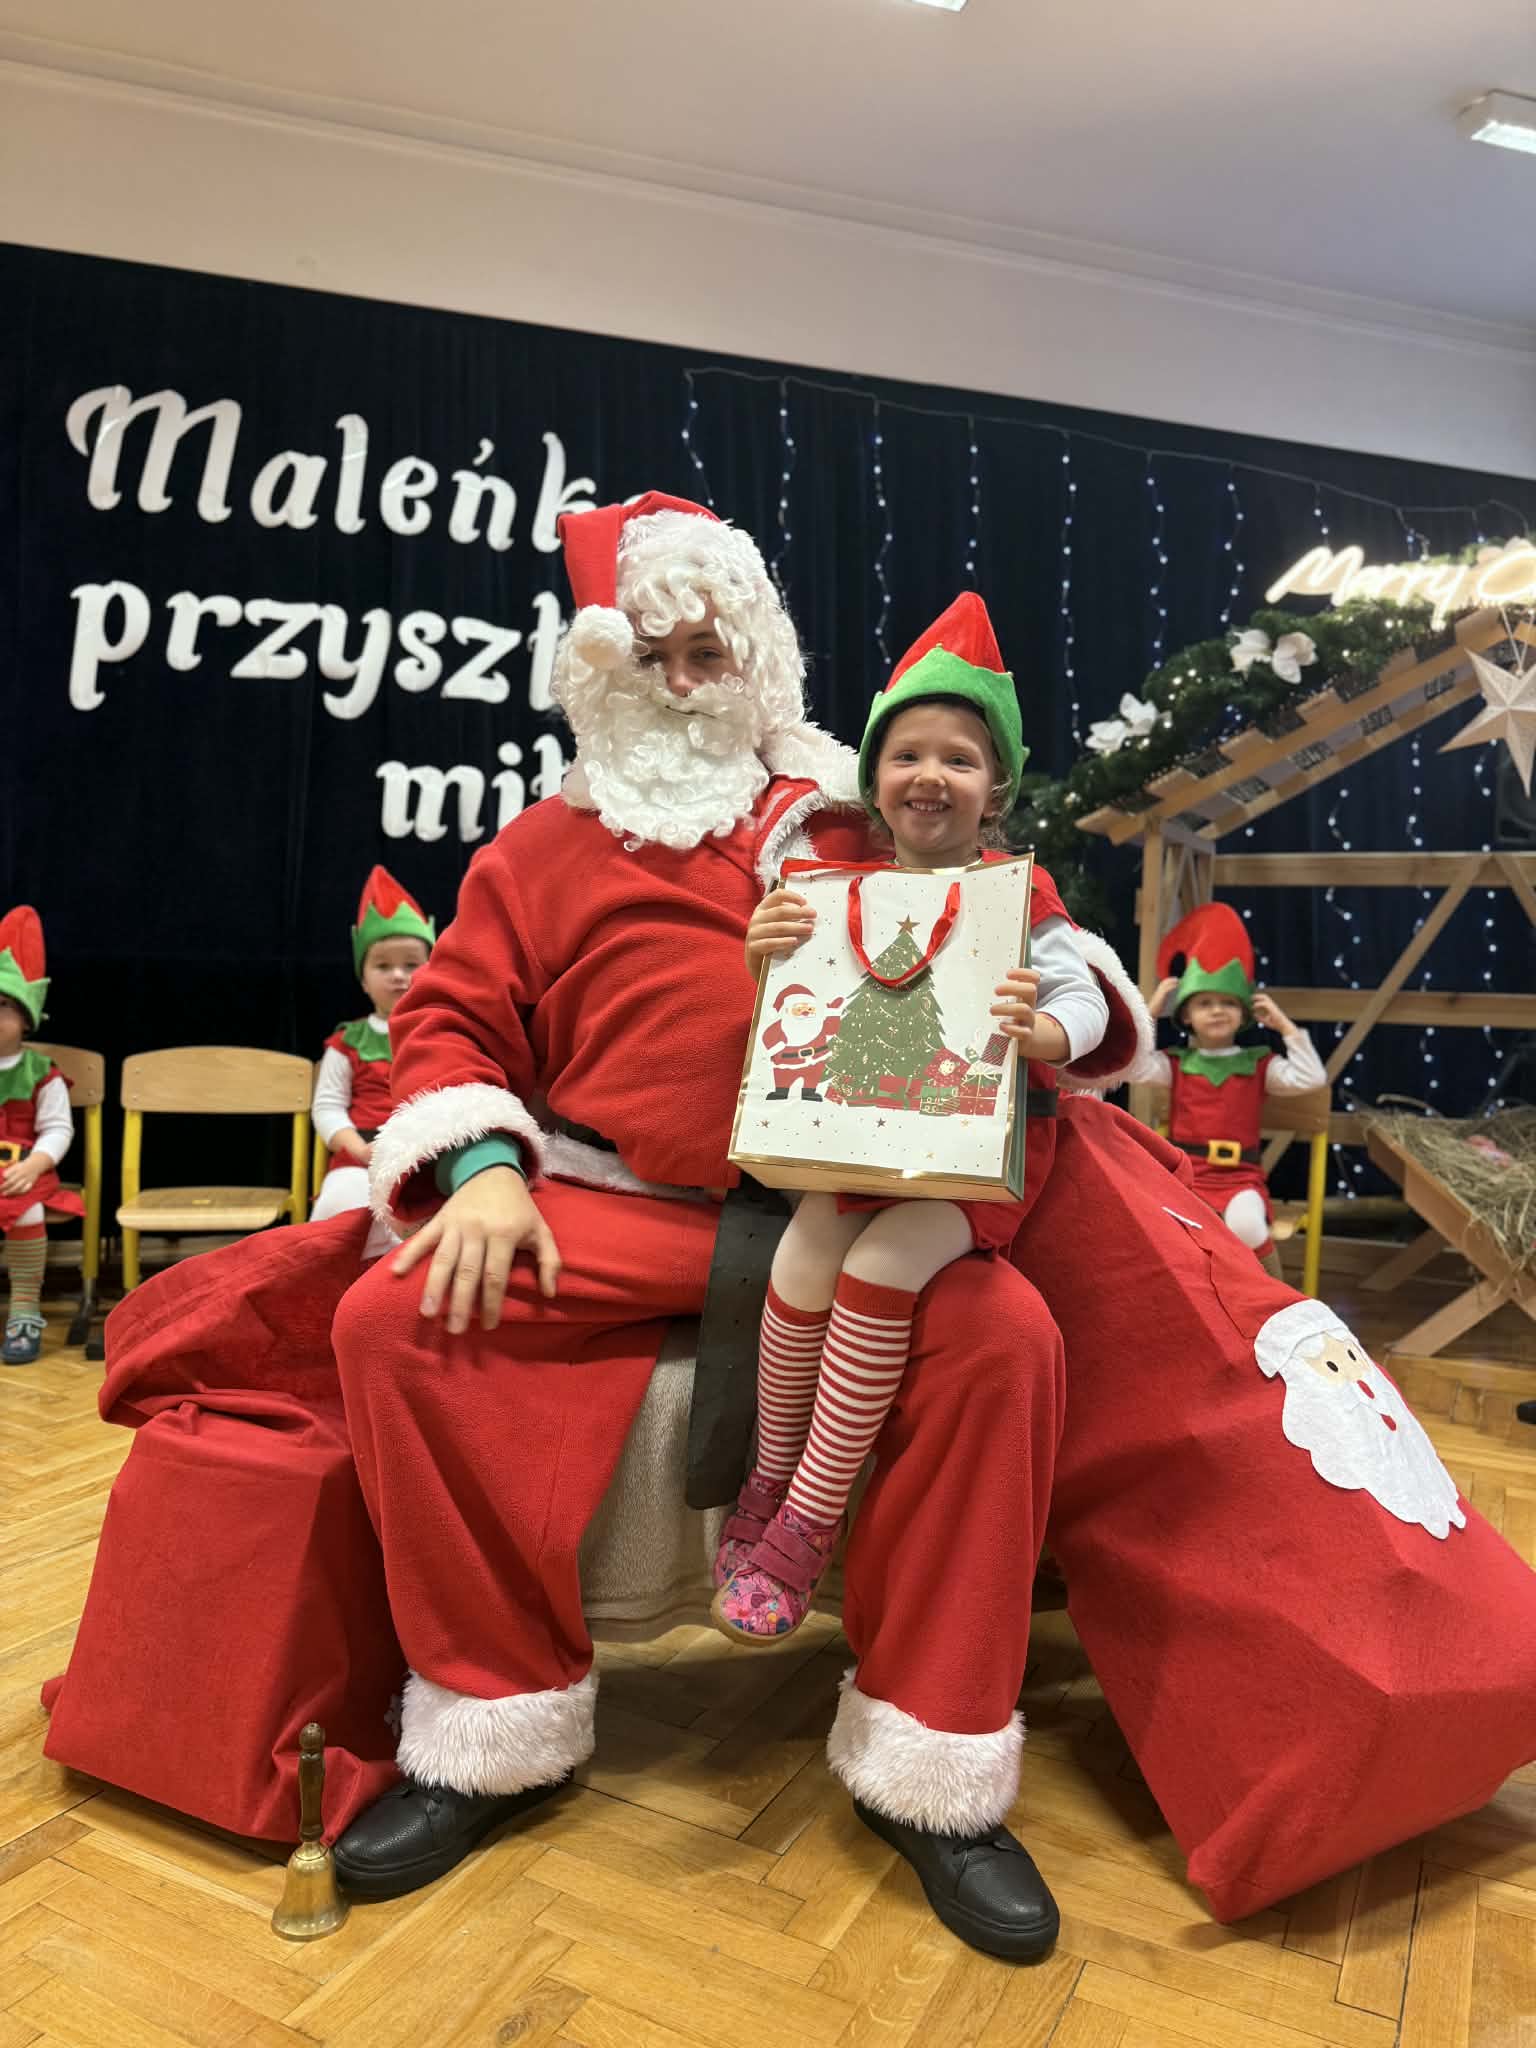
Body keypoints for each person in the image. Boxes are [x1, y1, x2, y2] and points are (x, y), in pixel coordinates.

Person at [326, 495, 1147, 1961]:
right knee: (399, 1320)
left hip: (849, 1195)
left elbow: (1032, 926)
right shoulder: (536, 850)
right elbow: (445, 1019)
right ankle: (492, 1725)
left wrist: (1063, 1012)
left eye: (709, 653)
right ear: (599, 674)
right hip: (616, 1207)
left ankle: (932, 1762)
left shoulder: (856, 805)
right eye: (651, 658)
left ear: (757, 659)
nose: (683, 684)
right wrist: (484, 1168)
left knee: (1005, 1340)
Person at [712, 595, 1111, 1644]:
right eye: (907, 755)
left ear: (996, 788)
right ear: (874, 777)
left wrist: (1045, 1030)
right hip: (859, 1143)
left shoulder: (1020, 893)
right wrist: (766, 953)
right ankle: (767, 1477)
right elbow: (795, 1006)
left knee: (883, 1264)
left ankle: (811, 1513)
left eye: (959, 759)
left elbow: (1089, 1001)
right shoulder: (842, 889)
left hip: (970, 1160)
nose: (930, 775)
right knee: (804, 1255)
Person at [1128, 902, 1325, 1264]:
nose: (1217, 1010)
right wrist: (1150, 1011)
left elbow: (1311, 1078)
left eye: (1228, 1003)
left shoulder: (1259, 1064)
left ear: (1244, 1013)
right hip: (1186, 1176)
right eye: (1205, 1003)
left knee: (1247, 1227)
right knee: (1165, 1230)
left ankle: (1268, 1294)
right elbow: (1131, 1067)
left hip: (1240, 1179)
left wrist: (1285, 1027)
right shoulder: (1176, 1064)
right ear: (1187, 1015)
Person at [309, 866, 434, 1257]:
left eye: (411, 965)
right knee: (340, 1207)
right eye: (382, 966)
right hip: (362, 1157)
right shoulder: (348, 1042)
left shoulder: (443, 1035)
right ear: (363, 980)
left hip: (429, 1159)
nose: (397, 975)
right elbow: (328, 1106)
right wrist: (357, 1148)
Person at [0, 906, 83, 1364]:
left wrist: (35, 1164)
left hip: (23, 1171)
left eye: (2, 1006)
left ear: (27, 1018)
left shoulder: (40, 1073)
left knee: (26, 1210)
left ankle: (24, 1310)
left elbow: (58, 1128)